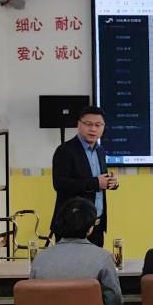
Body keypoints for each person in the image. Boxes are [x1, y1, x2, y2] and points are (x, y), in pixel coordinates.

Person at [51, 106, 118, 248]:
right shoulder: (65, 150)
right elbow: (60, 184)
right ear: (78, 124)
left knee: (95, 262)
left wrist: (111, 183)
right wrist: (96, 183)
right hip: (72, 225)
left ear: (103, 127)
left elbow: (99, 180)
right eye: (88, 124)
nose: (93, 129)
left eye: (98, 125)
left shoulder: (100, 151)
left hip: (96, 224)